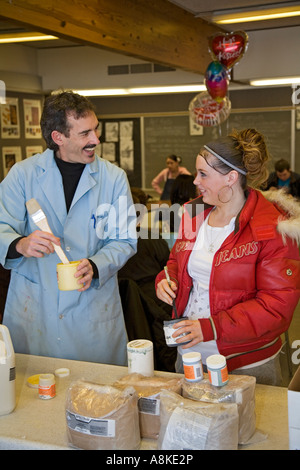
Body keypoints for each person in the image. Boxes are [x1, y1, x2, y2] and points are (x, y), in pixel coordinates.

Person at [0, 90, 137, 366]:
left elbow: (125, 240)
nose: (96, 140)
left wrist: (96, 264)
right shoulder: (22, 175)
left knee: (97, 398)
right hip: (35, 310)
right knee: (33, 399)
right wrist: (20, 244)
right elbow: (2, 227)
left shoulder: (113, 179)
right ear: (58, 138)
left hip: (92, 314)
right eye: (85, 133)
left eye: (95, 130)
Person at [156, 128, 300, 386]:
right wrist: (166, 279)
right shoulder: (194, 211)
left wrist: (211, 328)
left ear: (231, 178)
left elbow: (276, 306)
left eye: (203, 174)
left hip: (246, 362)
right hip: (189, 353)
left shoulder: (271, 227)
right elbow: (176, 261)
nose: (195, 181)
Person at [118, 187, 176, 372]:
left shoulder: (110, 246)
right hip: (157, 307)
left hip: (125, 312)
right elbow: (168, 269)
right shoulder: (152, 238)